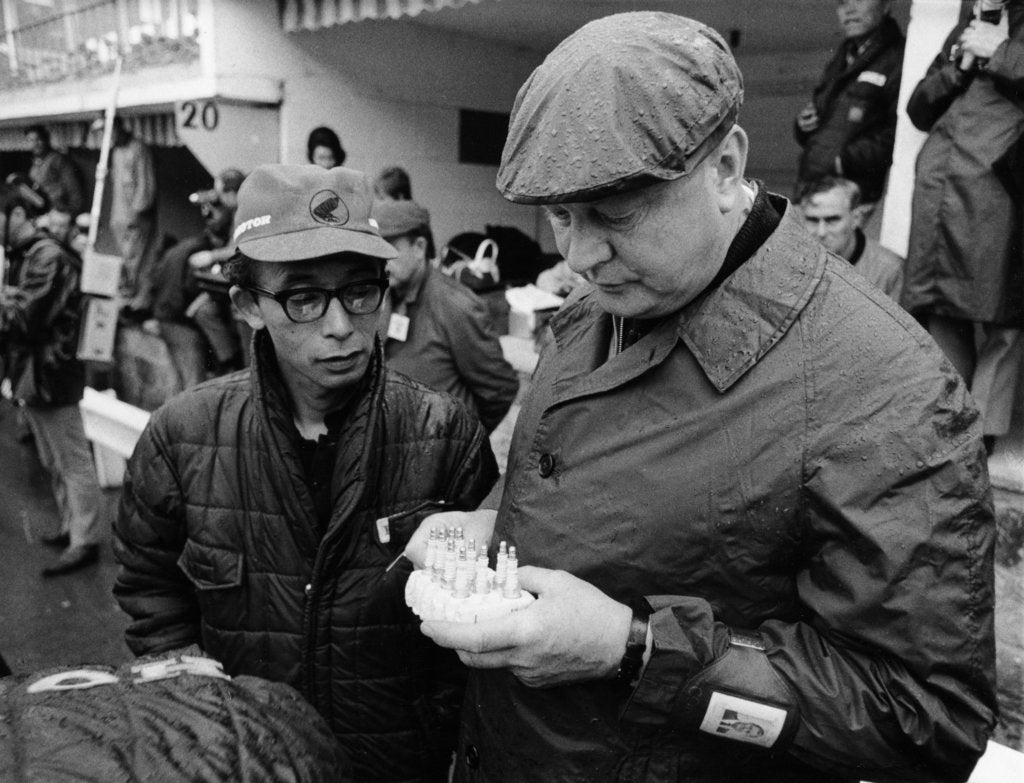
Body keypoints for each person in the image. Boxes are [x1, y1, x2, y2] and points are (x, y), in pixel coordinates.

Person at [417, 12, 997, 782]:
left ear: (724, 167)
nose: (580, 255)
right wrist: (493, 526)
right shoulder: (594, 312)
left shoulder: (885, 390)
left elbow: (925, 717)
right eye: (559, 216)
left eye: (615, 214)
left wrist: (634, 648)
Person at [112, 164, 499, 783]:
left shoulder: (445, 436)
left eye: (360, 291)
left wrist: (439, 721)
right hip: (247, 760)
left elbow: (480, 610)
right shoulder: (182, 437)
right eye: (303, 298)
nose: (341, 325)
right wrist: (200, 704)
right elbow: (148, 583)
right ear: (247, 304)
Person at [901, 0, 1024, 455]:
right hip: (942, 189)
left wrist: (1002, 52)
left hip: (1003, 188)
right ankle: (950, 421)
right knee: (942, 304)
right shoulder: (968, 26)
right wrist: (962, 64)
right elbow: (919, 108)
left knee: (1003, 313)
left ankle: (984, 432)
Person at [0, 185, 103, 577]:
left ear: (18, 214)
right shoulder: (30, 254)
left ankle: (85, 539)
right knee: (55, 459)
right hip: (37, 372)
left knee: (71, 460)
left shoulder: (45, 256)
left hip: (49, 373)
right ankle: (72, 527)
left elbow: (27, 318)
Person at [375, 199, 519, 433]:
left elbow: (500, 389)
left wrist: (461, 441)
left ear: (419, 247)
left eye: (389, 250)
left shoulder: (456, 305)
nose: (381, 262)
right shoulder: (388, 293)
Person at [794, 0, 904, 214]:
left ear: (886, 5)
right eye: (842, 2)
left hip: (855, 201)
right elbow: (828, 123)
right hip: (811, 191)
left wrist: (841, 161)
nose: (849, 9)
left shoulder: (899, 59)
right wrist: (803, 125)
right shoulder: (843, 57)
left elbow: (899, 134)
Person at [148, 168, 247, 390]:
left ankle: (229, 361)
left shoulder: (192, 248)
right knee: (191, 382)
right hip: (177, 319)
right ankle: (229, 362)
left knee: (184, 382)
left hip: (168, 315)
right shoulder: (195, 251)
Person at [798, 176, 904, 299]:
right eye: (812, 220)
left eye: (832, 220)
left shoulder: (889, 270)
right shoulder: (788, 258)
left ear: (856, 218)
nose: (821, 232)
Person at [105, 118, 158, 313]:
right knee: (126, 262)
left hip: (134, 218)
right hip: (119, 216)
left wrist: (137, 213)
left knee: (136, 261)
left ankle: (136, 304)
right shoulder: (116, 152)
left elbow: (146, 184)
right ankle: (128, 300)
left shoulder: (138, 148)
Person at [25, 124, 85, 216]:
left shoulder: (57, 159)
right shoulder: (35, 165)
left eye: (39, 139)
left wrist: (72, 213)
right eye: (30, 140)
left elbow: (73, 187)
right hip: (42, 212)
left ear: (46, 140)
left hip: (60, 212)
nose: (35, 144)